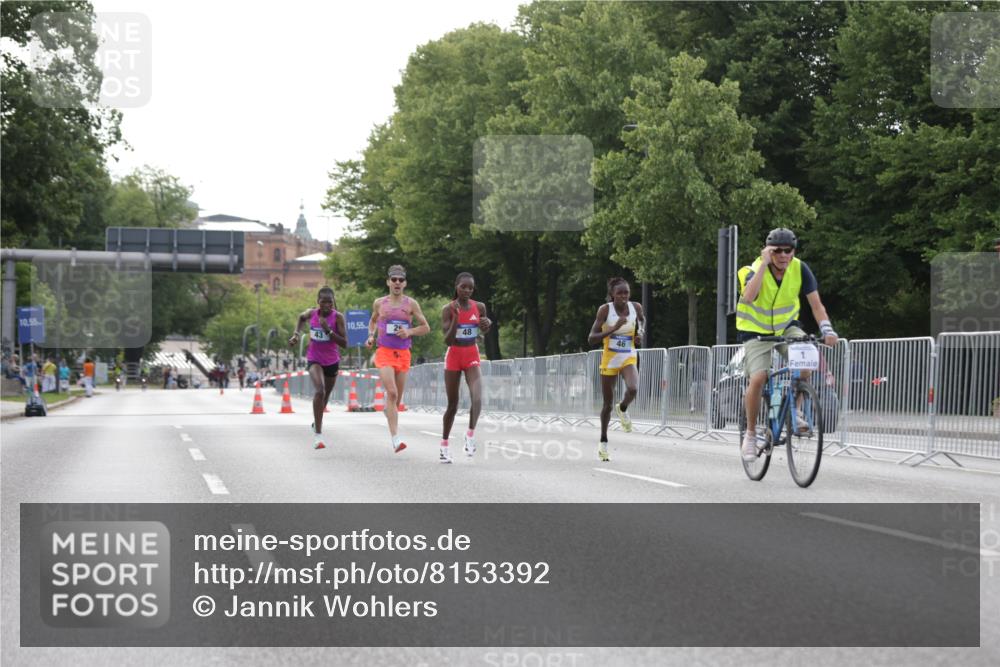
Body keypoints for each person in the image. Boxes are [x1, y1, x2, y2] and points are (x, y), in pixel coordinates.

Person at [737, 228, 839, 462]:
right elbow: (750, 296)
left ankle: (795, 411)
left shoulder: (800, 268)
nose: (784, 255)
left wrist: (827, 329)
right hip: (755, 331)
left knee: (807, 361)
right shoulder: (750, 270)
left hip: (785, 327)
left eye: (789, 250)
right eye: (778, 251)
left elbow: (816, 304)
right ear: (768, 251)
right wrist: (763, 264)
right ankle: (751, 434)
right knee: (759, 377)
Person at [366, 265, 431, 454]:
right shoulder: (379, 303)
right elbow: (373, 321)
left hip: (403, 354)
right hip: (385, 351)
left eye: (400, 280)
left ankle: (390, 411)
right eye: (393, 279)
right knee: (392, 393)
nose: (397, 282)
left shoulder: (411, 304)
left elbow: (426, 327)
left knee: (397, 400)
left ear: (405, 283)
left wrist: (409, 331)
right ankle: (396, 439)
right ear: (388, 282)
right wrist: (371, 336)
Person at [587, 277, 645, 462]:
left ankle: (623, 408)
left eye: (626, 293)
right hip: (609, 358)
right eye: (619, 293)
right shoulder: (605, 310)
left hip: (628, 355)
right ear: (612, 295)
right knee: (607, 405)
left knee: (633, 388)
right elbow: (591, 338)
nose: (623, 296)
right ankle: (603, 442)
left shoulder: (636, 307)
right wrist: (613, 328)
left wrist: (640, 333)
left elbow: (642, 321)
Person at [439, 272, 493, 463]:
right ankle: (444, 446)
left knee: (477, 397)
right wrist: (456, 319)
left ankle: (470, 435)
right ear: (456, 286)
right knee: (452, 404)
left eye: (470, 288)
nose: (467, 291)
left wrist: (487, 324)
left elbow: (484, 328)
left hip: (471, 354)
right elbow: (447, 340)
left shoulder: (479, 307)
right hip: (454, 356)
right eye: (463, 287)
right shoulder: (448, 309)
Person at [290, 286, 347, 450]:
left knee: (326, 395)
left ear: (333, 302)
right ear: (318, 302)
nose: (326, 306)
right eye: (323, 302)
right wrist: (296, 334)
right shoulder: (311, 313)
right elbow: (301, 318)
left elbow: (344, 343)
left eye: (330, 302)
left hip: (331, 361)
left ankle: (317, 421)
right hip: (314, 358)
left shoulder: (338, 318)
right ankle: (318, 436)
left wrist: (328, 330)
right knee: (319, 391)